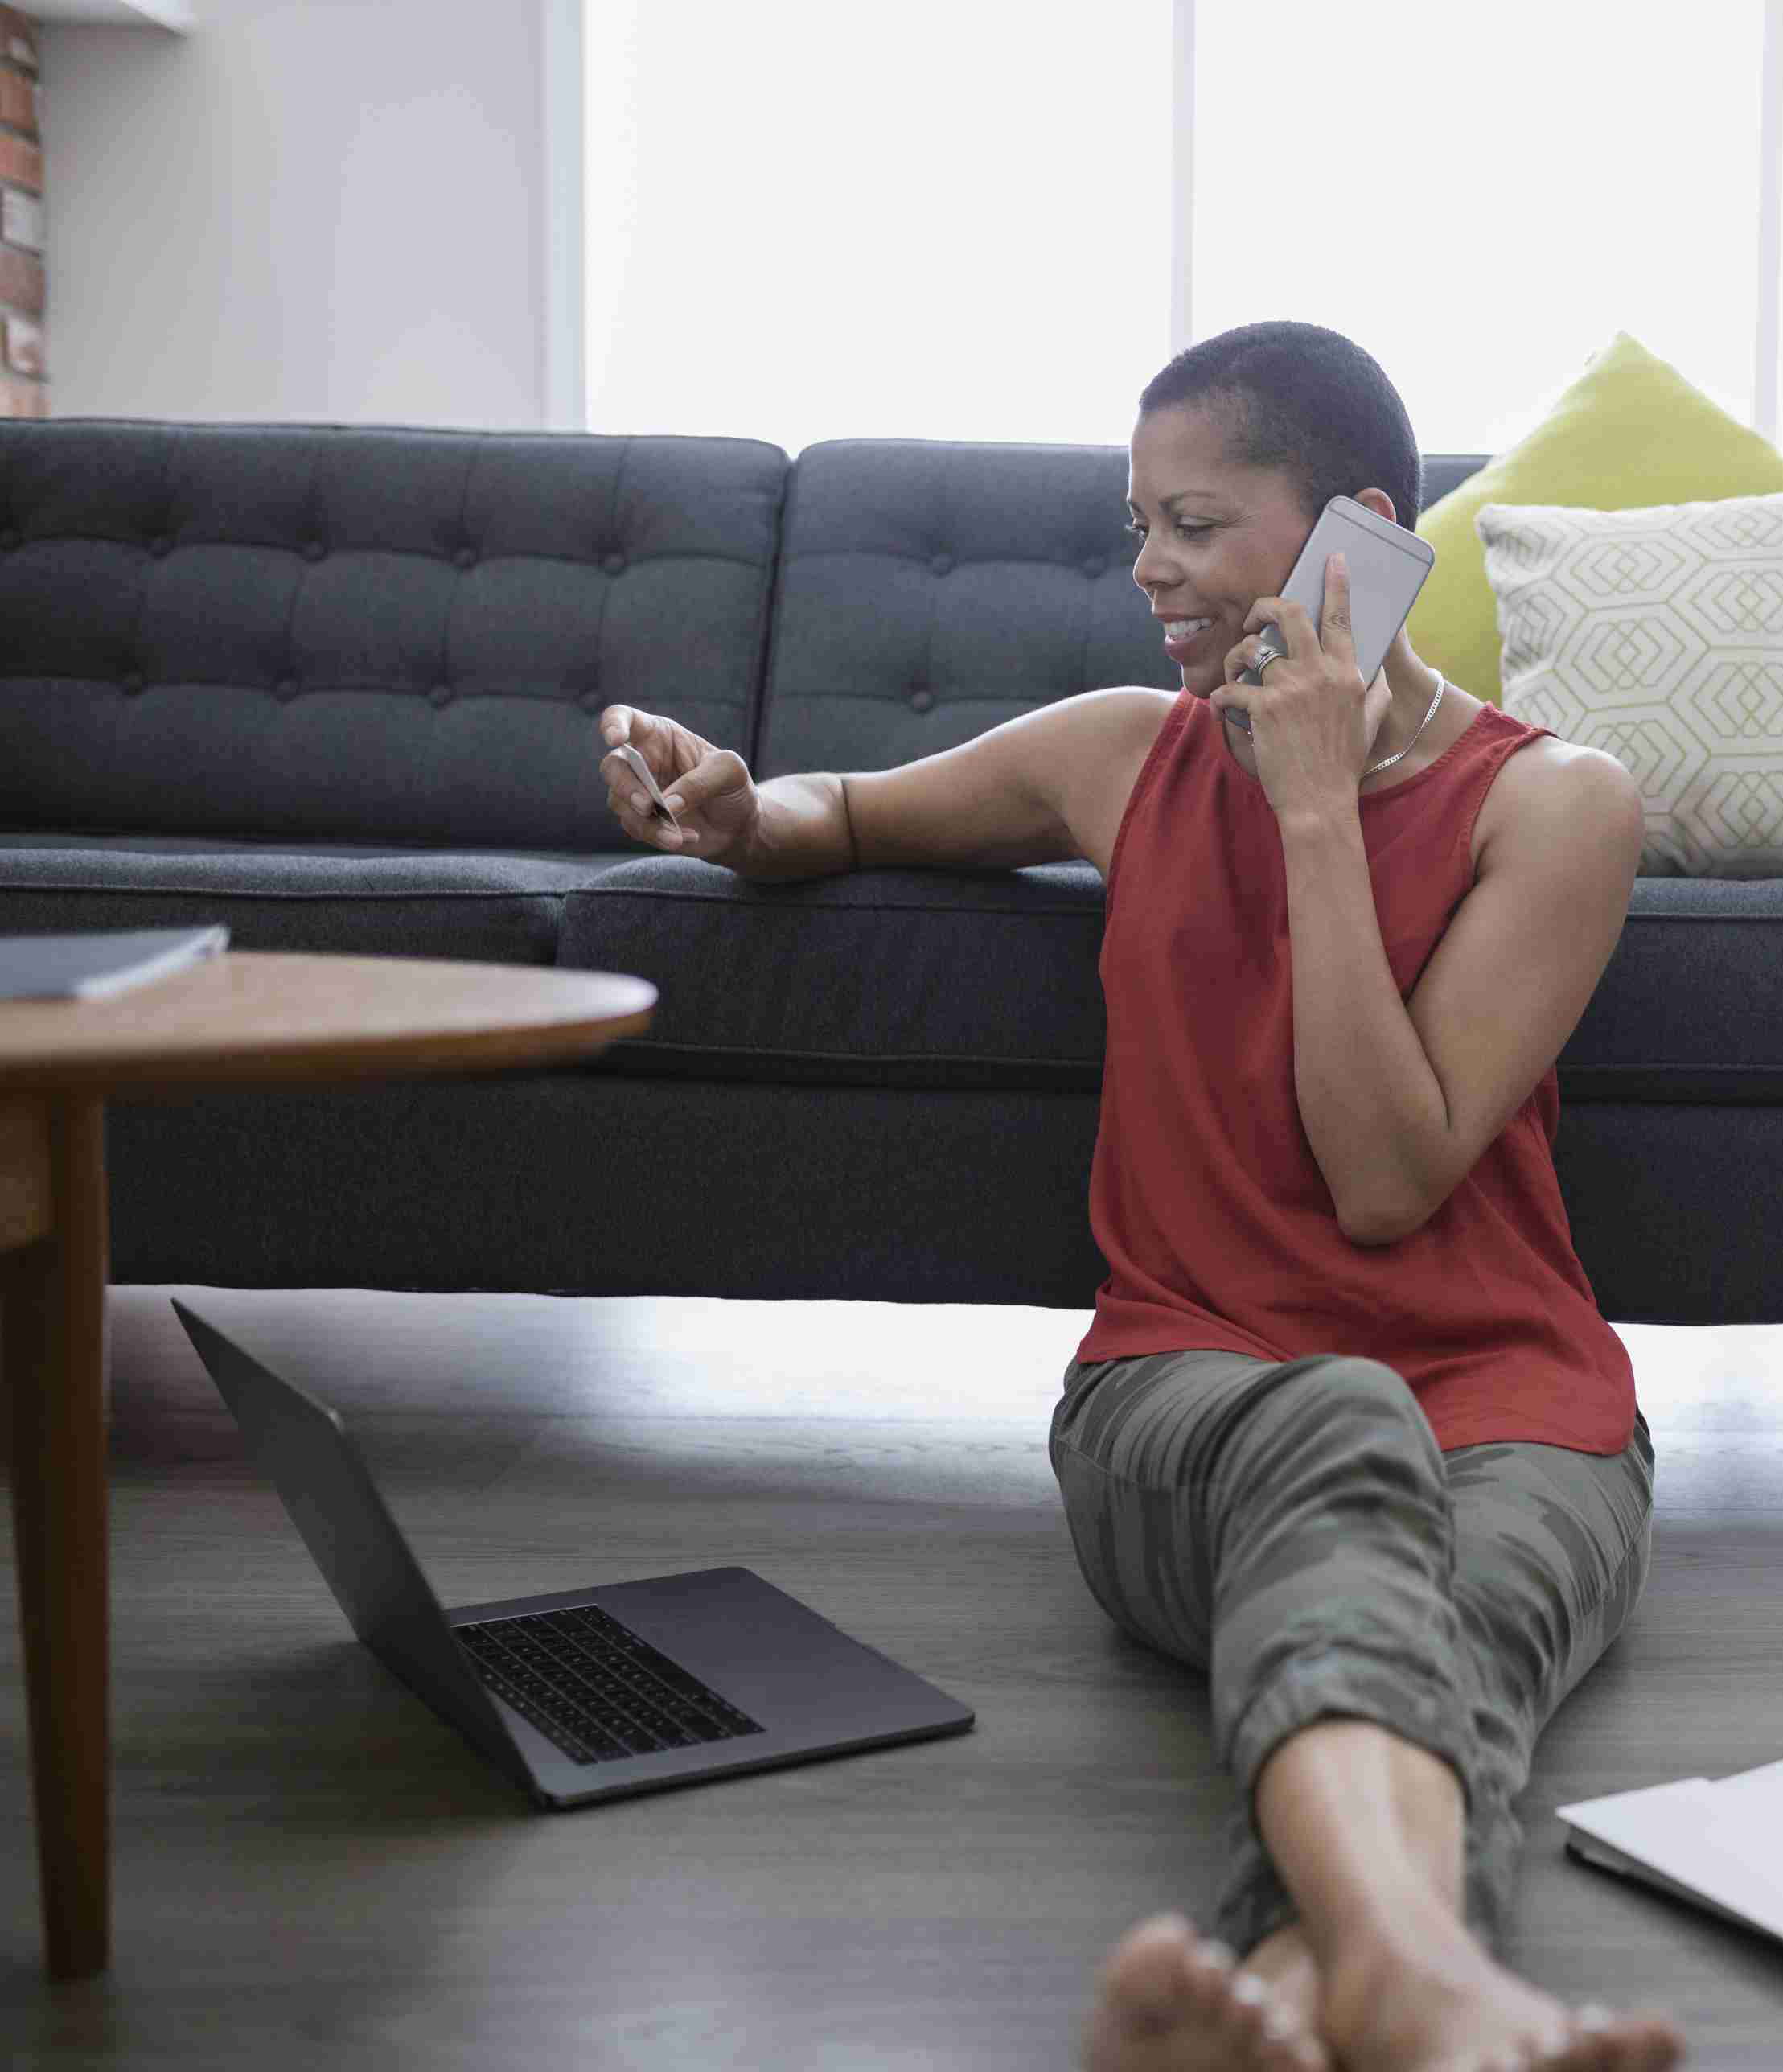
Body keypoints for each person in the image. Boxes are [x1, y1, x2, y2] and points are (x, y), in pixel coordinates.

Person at [593, 321, 1685, 2072]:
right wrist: (739, 805)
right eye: (1137, 528)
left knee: (1447, 1640)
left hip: (1519, 1408)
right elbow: (852, 815)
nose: (1148, 575)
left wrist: (1314, 805)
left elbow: (1390, 1179)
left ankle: (1311, 1996)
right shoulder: (1118, 752)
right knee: (1343, 1435)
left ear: (1360, 537)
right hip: (1193, 1387)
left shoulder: (1559, 806)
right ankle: (1425, 1983)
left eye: (1191, 524)